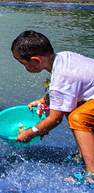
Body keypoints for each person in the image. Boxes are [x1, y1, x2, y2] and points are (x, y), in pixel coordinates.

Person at [12, 30, 94, 185]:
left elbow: (55, 119)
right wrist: (44, 100)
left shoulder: (60, 81)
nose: (24, 67)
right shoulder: (63, 57)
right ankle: (85, 154)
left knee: (79, 117)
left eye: (23, 63)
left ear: (36, 61)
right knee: (72, 108)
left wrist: (30, 132)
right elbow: (69, 88)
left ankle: (92, 174)